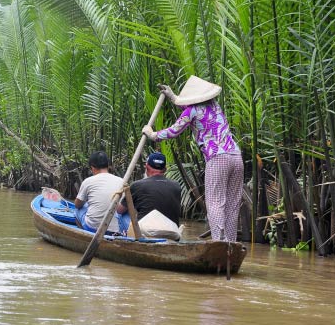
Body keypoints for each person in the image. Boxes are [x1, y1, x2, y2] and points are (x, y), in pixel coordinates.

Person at [142, 75, 243, 241]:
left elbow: (174, 130)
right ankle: (230, 243)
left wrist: (152, 135)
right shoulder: (215, 106)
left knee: (215, 203)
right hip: (235, 156)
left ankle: (219, 243)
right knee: (232, 204)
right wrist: (173, 97)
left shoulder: (192, 111)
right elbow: (194, 112)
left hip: (217, 158)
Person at [116, 152, 181, 235]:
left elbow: (119, 210)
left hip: (145, 233)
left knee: (120, 213)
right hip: (172, 232)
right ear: (165, 169)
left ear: (146, 166)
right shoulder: (176, 186)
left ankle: (125, 235)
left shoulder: (137, 185)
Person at [74, 151, 124, 234]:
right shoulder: (121, 181)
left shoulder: (88, 181)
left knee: (77, 211)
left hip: (93, 228)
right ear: (108, 166)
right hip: (115, 230)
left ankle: (85, 235)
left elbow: (77, 205)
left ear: (92, 168)